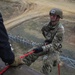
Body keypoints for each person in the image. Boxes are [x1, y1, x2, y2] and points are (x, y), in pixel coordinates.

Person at [23, 8, 64, 75]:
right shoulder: (46, 26)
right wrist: (47, 41)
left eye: (54, 15)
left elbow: (54, 45)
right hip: (46, 45)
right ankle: (22, 69)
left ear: (59, 17)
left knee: (47, 63)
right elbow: (44, 32)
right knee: (30, 53)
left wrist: (42, 48)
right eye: (51, 15)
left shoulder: (60, 29)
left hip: (55, 49)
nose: (52, 16)